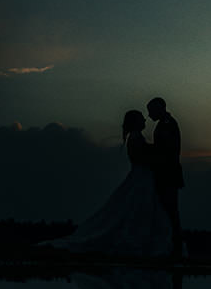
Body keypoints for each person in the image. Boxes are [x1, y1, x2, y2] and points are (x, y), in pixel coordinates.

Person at [46, 110, 173, 257]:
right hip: (141, 176)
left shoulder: (136, 137)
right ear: (136, 122)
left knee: (139, 208)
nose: (145, 121)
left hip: (141, 176)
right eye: (142, 119)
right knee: (137, 208)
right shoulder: (136, 137)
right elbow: (140, 157)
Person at [146, 97, 185, 258]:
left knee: (170, 211)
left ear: (159, 109)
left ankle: (175, 247)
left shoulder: (167, 124)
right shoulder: (164, 124)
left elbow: (167, 150)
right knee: (167, 211)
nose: (149, 115)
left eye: (151, 111)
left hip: (168, 173)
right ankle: (171, 245)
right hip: (167, 173)